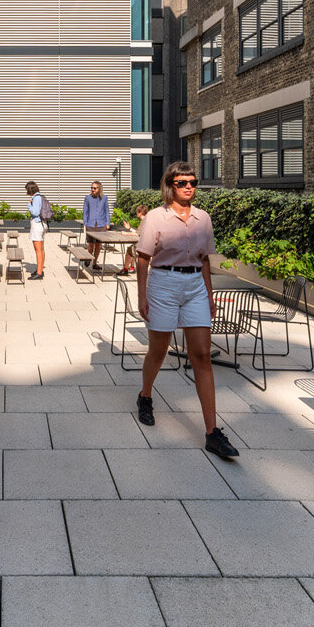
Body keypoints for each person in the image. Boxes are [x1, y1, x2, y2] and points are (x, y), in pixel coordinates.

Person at [134, 162, 239, 461]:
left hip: (194, 284)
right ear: (170, 185)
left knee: (202, 355)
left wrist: (208, 294)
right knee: (159, 350)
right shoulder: (155, 217)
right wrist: (142, 296)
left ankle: (211, 433)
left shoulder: (202, 218)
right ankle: (145, 395)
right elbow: (143, 259)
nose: (189, 187)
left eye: (192, 182)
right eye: (182, 182)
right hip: (163, 284)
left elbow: (205, 260)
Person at [24, 179, 51, 279]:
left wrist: (29, 205)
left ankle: (39, 273)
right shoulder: (41, 196)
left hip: (37, 225)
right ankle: (40, 270)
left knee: (38, 250)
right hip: (42, 224)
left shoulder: (36, 198)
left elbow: (35, 212)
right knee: (41, 249)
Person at [82, 179, 111, 267]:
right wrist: (85, 223)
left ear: (99, 188)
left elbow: (107, 211)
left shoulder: (104, 198)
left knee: (98, 246)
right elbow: (85, 212)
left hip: (101, 225)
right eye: (91, 188)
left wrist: (108, 223)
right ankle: (88, 259)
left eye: (94, 188)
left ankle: (94, 263)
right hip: (90, 225)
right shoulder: (87, 198)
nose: (92, 190)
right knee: (91, 245)